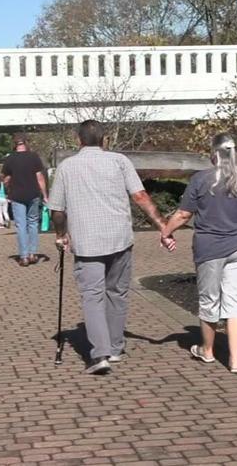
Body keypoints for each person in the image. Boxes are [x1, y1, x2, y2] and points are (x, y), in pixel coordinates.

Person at [49, 120, 171, 375]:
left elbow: (57, 209)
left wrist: (61, 235)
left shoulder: (67, 167)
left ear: (78, 140)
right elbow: (140, 196)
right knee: (117, 293)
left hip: (87, 242)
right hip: (119, 239)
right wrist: (163, 226)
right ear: (105, 140)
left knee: (92, 296)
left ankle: (100, 354)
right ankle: (115, 347)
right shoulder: (119, 161)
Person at [160, 133, 237, 374]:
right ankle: (235, 360)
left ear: (213, 154)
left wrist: (166, 232)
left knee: (209, 299)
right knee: (236, 301)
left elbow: (183, 214)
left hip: (209, 248)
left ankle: (207, 350)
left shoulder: (201, 179)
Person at [1, 135, 48, 266]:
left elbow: (6, 178)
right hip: (33, 194)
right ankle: (33, 253)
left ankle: (24, 256)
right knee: (33, 223)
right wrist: (45, 195)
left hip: (17, 195)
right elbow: (40, 177)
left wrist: (7, 188)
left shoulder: (10, 159)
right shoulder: (34, 157)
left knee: (21, 225)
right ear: (26, 143)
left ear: (14, 144)